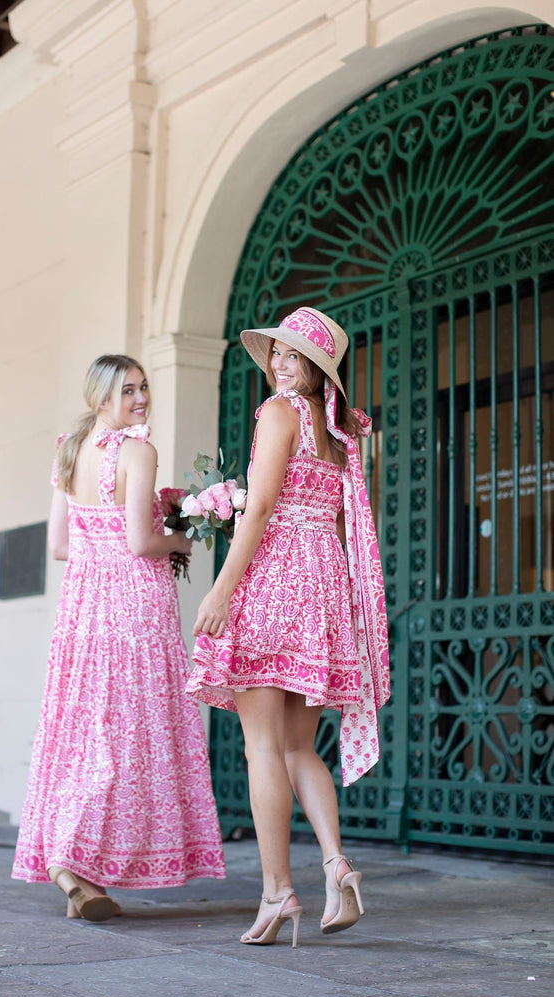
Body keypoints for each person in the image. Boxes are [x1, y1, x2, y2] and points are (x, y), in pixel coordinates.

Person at [187, 307, 389, 947]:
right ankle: (337, 864)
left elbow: (263, 507)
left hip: (275, 581)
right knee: (300, 748)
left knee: (262, 748)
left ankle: (278, 892)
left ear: (316, 369)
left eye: (293, 356)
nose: (278, 364)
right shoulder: (339, 434)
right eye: (276, 352)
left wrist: (222, 588)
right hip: (323, 588)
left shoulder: (279, 413)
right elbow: (342, 522)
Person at [12, 354, 225, 919]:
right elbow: (139, 543)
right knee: (129, 732)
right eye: (128, 390)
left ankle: (79, 873)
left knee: (86, 730)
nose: (141, 398)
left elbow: (60, 546)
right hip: (134, 606)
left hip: (82, 608)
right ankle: (72, 860)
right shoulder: (138, 451)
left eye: (143, 387)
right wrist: (181, 540)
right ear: (101, 397)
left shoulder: (68, 449)